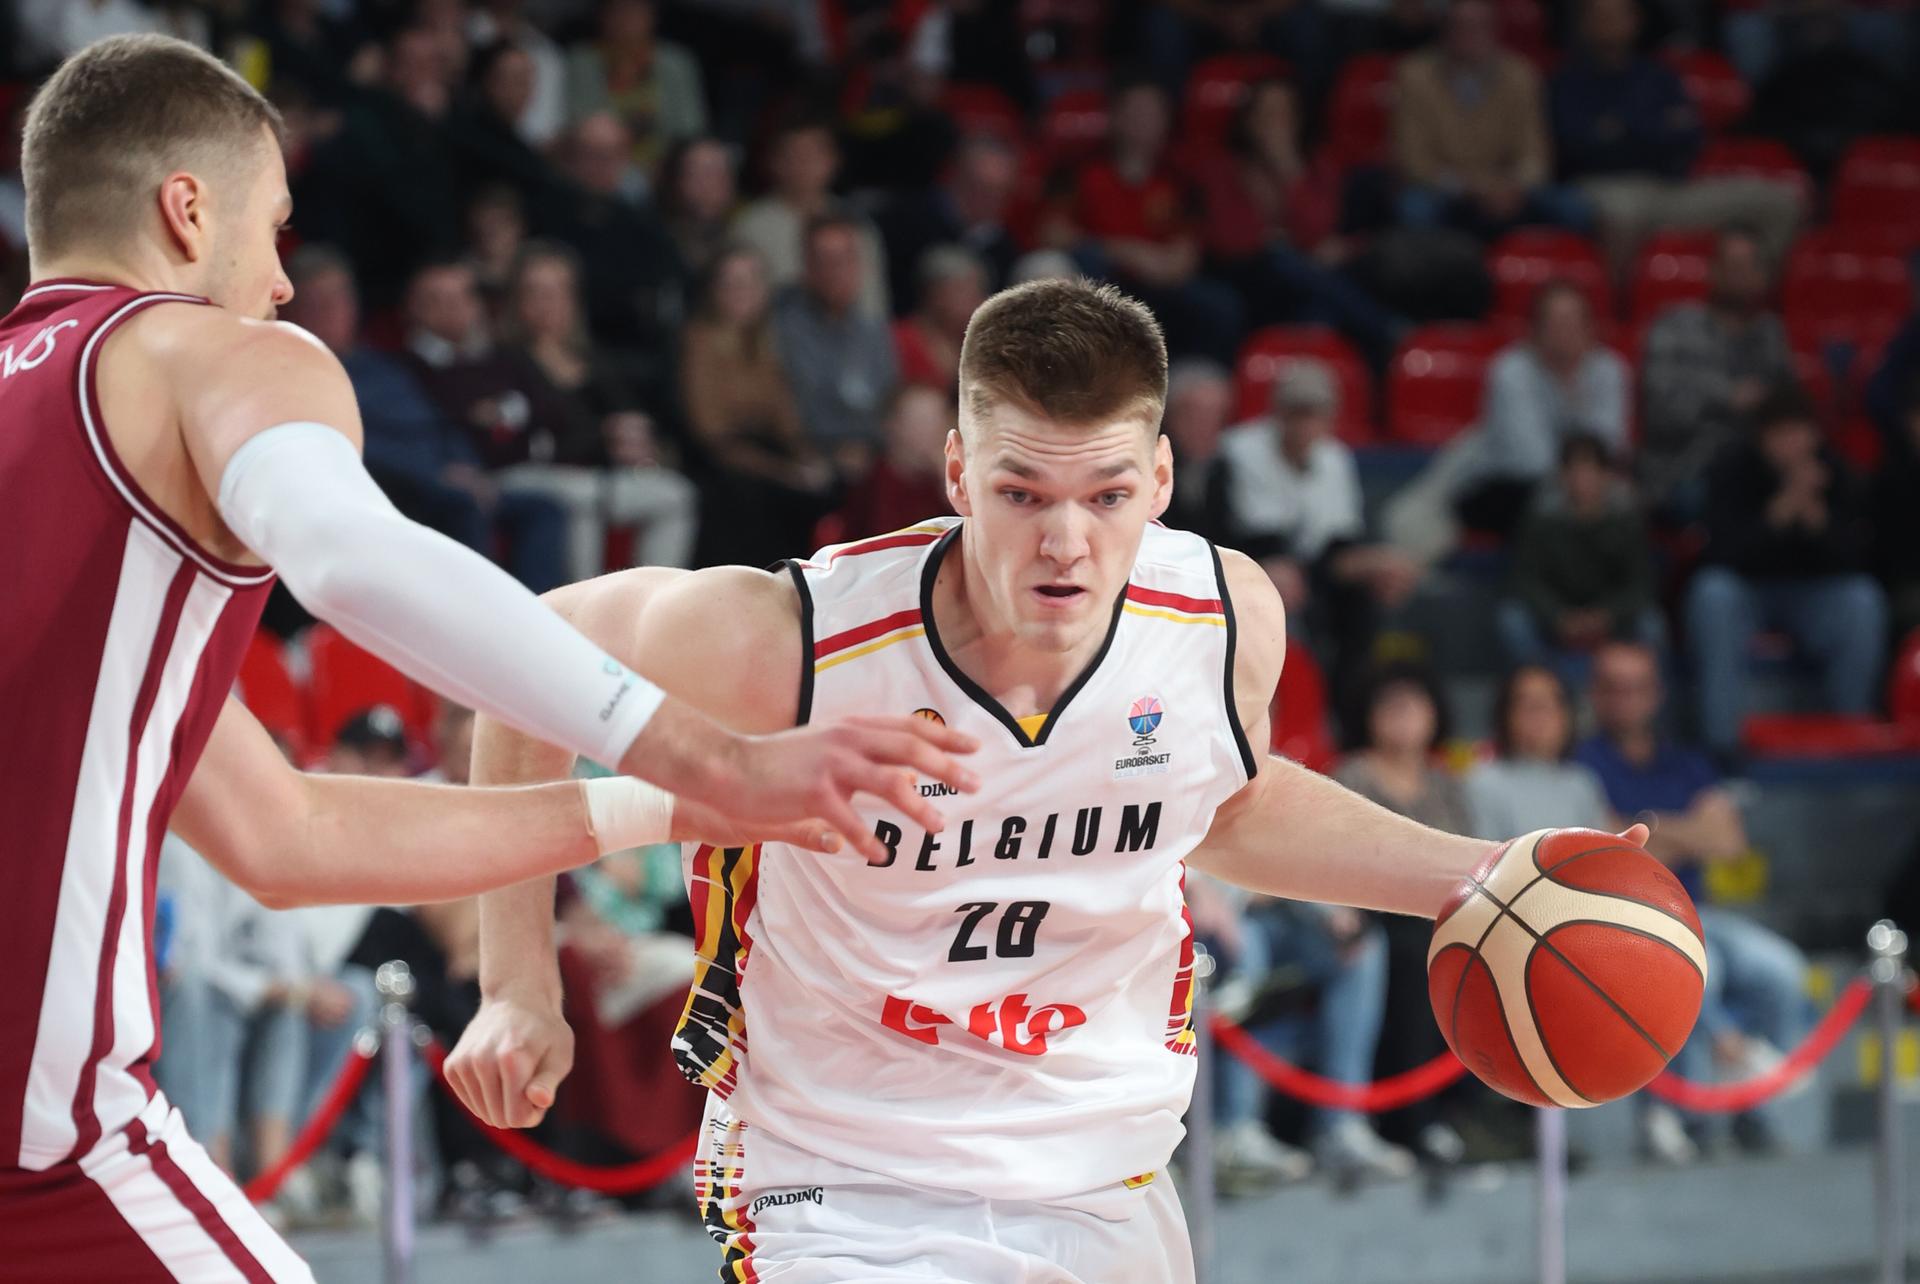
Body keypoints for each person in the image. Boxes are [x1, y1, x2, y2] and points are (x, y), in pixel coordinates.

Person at [0, 36, 975, 1279]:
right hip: (39, 1150)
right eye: (274, 230)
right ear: (188, 213)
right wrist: (718, 754)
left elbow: (289, 837)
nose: (284, 285)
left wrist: (670, 801)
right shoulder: (209, 352)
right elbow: (355, 561)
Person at [448, 277, 1649, 1283]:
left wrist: (1479, 878)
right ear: (958, 473)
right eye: (1024, 493)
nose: (1065, 542)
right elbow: (523, 653)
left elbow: (1223, 803)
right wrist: (516, 982)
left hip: (1100, 1181)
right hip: (841, 1182)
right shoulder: (797, 639)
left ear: (1164, 478)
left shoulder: (1224, 618)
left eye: (1107, 495)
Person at [1575, 639, 1811, 1161]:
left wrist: (1652, 825)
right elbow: (1608, 845)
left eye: (1636, 688)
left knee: (1781, 969)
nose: (1625, 700)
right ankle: (1687, 1113)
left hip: (1695, 910)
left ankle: (1755, 1109)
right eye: (1613, 688)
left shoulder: (1686, 760)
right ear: (1594, 694)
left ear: (1656, 695)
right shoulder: (1582, 762)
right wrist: (1686, 829)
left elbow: (1729, 842)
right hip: (1622, 916)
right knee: (1700, 970)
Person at [280, 244, 570, 593]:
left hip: (446, 475)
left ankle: (545, 615)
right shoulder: (301, 373)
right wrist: (436, 474)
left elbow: (440, 423)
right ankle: (480, 621)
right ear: (295, 310)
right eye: (319, 301)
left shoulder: (384, 365)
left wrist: (469, 467)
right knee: (461, 505)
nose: (334, 311)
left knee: (544, 509)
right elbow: (348, 447)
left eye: (341, 297)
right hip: (398, 487)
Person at [1686, 385, 1887, 757]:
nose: (1792, 444)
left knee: (1863, 600)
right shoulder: (1733, 469)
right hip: (1748, 595)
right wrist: (1780, 511)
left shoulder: (1836, 472)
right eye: (1781, 434)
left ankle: (1853, 738)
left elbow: (1860, 559)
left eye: (1800, 432)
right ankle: (1723, 748)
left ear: (1814, 434)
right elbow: (1721, 553)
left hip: (1815, 599)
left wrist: (1816, 519)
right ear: (1762, 437)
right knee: (1712, 594)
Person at [1331, 662, 1474, 1165]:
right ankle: (1414, 1118)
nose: (1403, 717)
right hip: (1375, 911)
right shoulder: (1351, 775)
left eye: (1414, 705)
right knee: (1419, 957)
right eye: (1390, 706)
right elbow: (1335, 856)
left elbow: (1471, 858)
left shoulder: (1446, 784)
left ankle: (1464, 1110)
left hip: (1443, 912)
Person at [1549, 0, 1802, 275]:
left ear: (1636, 20)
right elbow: (1575, 149)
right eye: (1601, 16)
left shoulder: (1660, 76)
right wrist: (1653, 132)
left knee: (1781, 202)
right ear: (1584, 24)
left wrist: (1621, 133)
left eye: (1619, 14)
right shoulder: (1567, 83)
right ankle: (1619, 311)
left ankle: (1752, 295)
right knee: (1621, 216)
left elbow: (1690, 139)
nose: (1611, 23)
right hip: (1609, 188)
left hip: (1672, 189)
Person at [499, 239, 700, 577]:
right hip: (526, 474)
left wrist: (637, 442)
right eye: (535, 293)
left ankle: (650, 602)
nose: (547, 304)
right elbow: (533, 435)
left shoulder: (590, 358)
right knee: (585, 497)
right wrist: (603, 435)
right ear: (517, 300)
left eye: (558, 292)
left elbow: (626, 415)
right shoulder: (502, 360)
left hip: (593, 477)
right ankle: (585, 613)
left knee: (677, 494)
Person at [1218, 360, 1421, 680]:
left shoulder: (1335, 457)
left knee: (1371, 589)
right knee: (1284, 585)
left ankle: (1353, 704)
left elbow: (1338, 539)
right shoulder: (1240, 449)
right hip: (1251, 562)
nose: (1305, 424)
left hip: (1311, 567)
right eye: (1296, 412)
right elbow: (1255, 534)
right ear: (1278, 412)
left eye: (1314, 413)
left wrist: (1374, 564)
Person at [1192, 78, 1406, 369]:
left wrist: (1287, 170)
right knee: (1281, 259)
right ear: (1247, 121)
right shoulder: (1223, 168)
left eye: (1284, 114)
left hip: (1305, 281)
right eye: (1265, 114)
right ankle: (1384, 329)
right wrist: (1286, 244)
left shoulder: (1316, 166)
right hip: (1249, 280)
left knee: (1317, 310)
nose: (1275, 124)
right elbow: (1229, 241)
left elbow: (1318, 228)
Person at [1060, 76, 1243, 364]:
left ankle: (1196, 382)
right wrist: (1128, 252)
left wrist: (1165, 266)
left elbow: (1187, 253)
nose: (1145, 121)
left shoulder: (1178, 179)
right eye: (1136, 111)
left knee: (1219, 304)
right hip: (1104, 282)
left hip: (1162, 285)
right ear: (1115, 117)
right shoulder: (1085, 172)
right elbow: (1054, 233)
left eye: (1154, 112)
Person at [679, 243, 836, 568]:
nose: (742, 292)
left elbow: (786, 418)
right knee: (758, 497)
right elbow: (714, 436)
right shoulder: (698, 343)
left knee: (828, 485)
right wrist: (785, 473)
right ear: (713, 291)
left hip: (766, 452)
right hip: (720, 463)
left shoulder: (766, 343)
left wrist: (806, 459)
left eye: (751, 282)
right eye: (732, 283)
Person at [1393, 0, 1590, 239]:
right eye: (1462, 26)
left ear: (1495, 30)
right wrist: (1471, 188)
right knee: (1414, 208)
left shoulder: (1521, 74)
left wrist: (1512, 186)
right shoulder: (1414, 75)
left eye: (1480, 26)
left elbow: (1535, 154)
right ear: (1445, 30)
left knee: (1575, 209)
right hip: (1444, 186)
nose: (1471, 35)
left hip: (1509, 185)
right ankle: (1438, 273)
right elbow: (1414, 160)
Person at [1639, 224, 1795, 517]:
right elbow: (1660, 415)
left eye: (1750, 266)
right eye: (1732, 265)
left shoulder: (1770, 334)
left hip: (1759, 471)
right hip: (1686, 473)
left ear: (1764, 277)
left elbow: (1791, 411)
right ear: (1713, 270)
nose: (1740, 274)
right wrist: (1727, 398)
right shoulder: (1674, 326)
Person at [1498, 433, 1663, 686]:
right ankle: (1536, 693)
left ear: (1607, 475)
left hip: (1610, 617)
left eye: (1590, 470)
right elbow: (1526, 579)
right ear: (1562, 476)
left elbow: (1640, 584)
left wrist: (1606, 615)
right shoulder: (1540, 520)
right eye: (1574, 471)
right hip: (1556, 616)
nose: (1582, 480)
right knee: (1513, 619)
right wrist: (1558, 617)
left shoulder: (1627, 520)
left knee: (1651, 625)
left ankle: (1648, 713)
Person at [772, 211, 902, 471]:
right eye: (826, 261)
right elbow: (806, 410)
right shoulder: (785, 327)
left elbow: (891, 400)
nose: (837, 272)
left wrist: (873, 443)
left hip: (876, 452)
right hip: (816, 457)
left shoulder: (873, 328)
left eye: (845, 259)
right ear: (807, 268)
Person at [733, 117, 890, 318]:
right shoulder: (750, 228)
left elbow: (874, 303)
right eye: (793, 155)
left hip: (852, 341)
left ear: (833, 161)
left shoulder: (857, 223)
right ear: (773, 162)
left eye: (813, 154)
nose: (803, 164)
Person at [1466, 666, 1619, 841]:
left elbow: (1602, 854)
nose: (1541, 716)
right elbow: (1484, 857)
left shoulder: (1582, 783)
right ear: (1505, 715)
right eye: (1530, 705)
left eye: (1551, 704)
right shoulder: (1483, 781)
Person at [563, 0, 706, 181]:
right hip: (603, 162)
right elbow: (583, 121)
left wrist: (665, 165)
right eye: (618, 11)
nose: (625, 20)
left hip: (664, 166)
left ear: (652, 17)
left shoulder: (676, 63)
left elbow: (690, 127)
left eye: (635, 11)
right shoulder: (582, 60)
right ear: (602, 16)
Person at [825, 382, 954, 543]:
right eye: (921, 421)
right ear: (893, 425)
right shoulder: (874, 485)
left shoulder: (943, 478)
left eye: (939, 419)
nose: (935, 430)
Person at [891, 244, 987, 394]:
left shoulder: (981, 343)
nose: (976, 300)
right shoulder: (899, 340)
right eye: (963, 290)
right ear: (933, 293)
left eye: (978, 290)